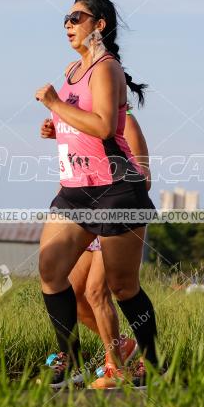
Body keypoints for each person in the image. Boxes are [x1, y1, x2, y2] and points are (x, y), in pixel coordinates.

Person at [35, 0, 159, 389]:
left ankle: (152, 364)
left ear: (98, 25)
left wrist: (55, 105)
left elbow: (106, 126)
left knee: (122, 287)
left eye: (76, 18)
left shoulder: (106, 69)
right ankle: (68, 361)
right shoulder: (71, 70)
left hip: (116, 189)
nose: (68, 25)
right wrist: (59, 127)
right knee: (51, 273)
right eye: (65, 19)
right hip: (74, 190)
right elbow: (82, 122)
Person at [40, 109, 148, 389]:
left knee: (97, 291)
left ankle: (116, 367)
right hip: (81, 215)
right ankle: (118, 346)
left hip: (114, 214)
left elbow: (143, 178)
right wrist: (61, 135)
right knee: (73, 293)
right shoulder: (73, 118)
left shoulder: (125, 121)